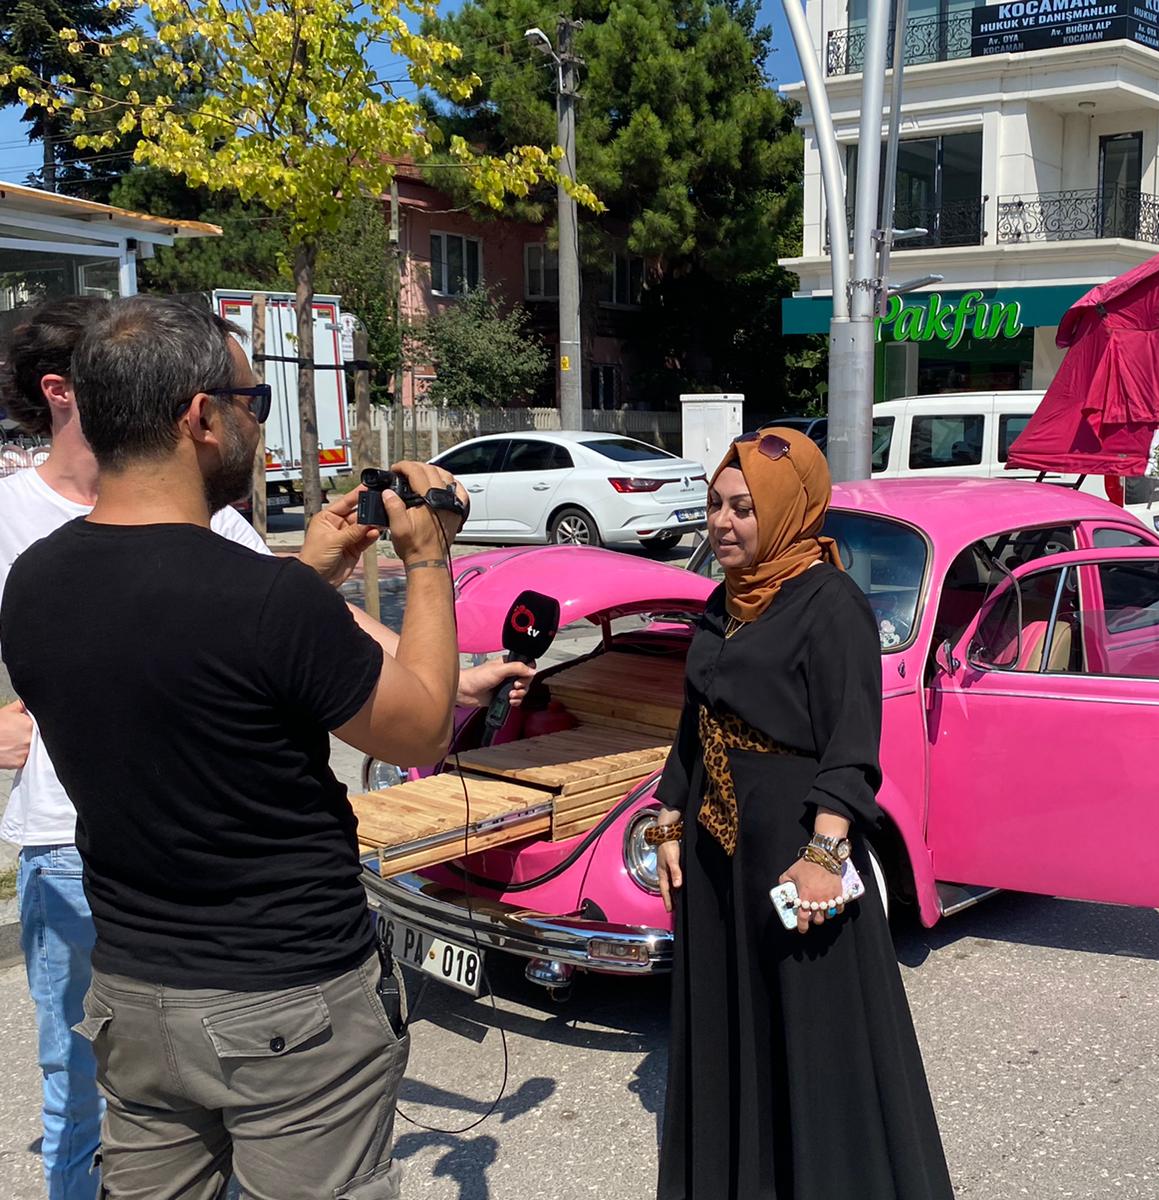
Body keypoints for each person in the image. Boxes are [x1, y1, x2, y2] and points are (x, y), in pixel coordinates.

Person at [0, 297, 529, 1200]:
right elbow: (420, 727)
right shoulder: (264, 600)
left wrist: (310, 572)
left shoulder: (35, 580)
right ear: (200, 417)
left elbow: (182, 643)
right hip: (288, 996)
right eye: (255, 402)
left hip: (134, 992)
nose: (257, 423)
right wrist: (429, 557)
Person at [650, 428, 954, 1200]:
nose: (723, 523)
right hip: (717, 853)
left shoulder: (831, 604)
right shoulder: (725, 600)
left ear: (789, 508)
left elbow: (852, 742)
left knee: (811, 1033)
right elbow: (696, 721)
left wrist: (825, 855)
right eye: (716, 505)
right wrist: (670, 817)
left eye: (744, 508)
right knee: (732, 1020)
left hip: (792, 849)